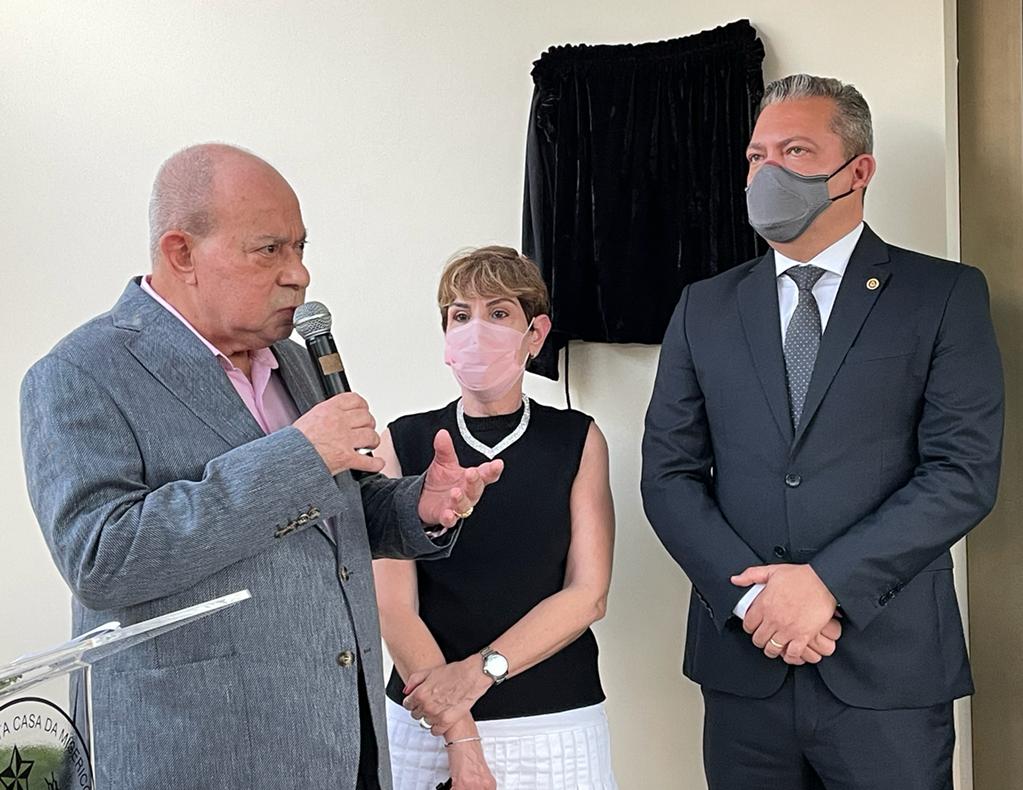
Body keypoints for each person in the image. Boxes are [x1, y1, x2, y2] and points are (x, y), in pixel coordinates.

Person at [19, 143, 503, 790]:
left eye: (300, 248)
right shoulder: (79, 374)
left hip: (344, 744)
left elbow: (331, 517)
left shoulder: (296, 361)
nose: (299, 274)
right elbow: (102, 560)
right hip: (200, 758)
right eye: (269, 249)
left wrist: (417, 507)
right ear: (181, 253)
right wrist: (299, 454)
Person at [642, 74, 1003, 789]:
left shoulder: (943, 295)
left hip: (890, 670)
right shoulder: (703, 307)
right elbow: (669, 475)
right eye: (756, 156)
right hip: (744, 668)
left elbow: (962, 472)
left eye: (795, 151)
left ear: (858, 171)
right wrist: (755, 602)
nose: (767, 171)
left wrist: (826, 585)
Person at [372, 246, 617, 789]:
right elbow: (392, 605)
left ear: (536, 334)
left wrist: (477, 674)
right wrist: (460, 734)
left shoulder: (576, 439)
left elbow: (587, 594)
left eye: (499, 313)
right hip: (426, 725)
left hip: (555, 724)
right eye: (460, 315)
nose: (476, 330)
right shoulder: (403, 440)